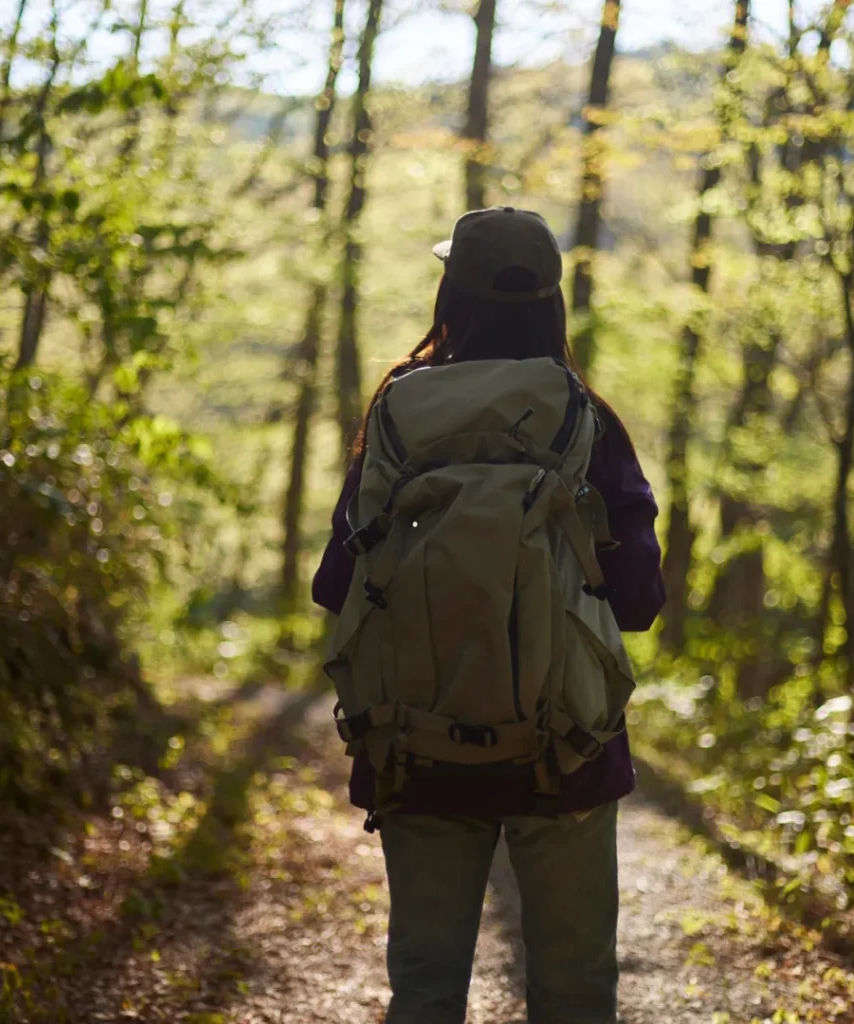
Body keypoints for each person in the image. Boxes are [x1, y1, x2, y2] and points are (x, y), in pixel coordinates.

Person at [312, 207, 665, 1024]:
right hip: (567, 745)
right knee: (574, 991)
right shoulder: (586, 420)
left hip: (416, 740)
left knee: (428, 991)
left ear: (451, 296)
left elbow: (338, 585)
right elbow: (641, 601)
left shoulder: (398, 412)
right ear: (551, 302)